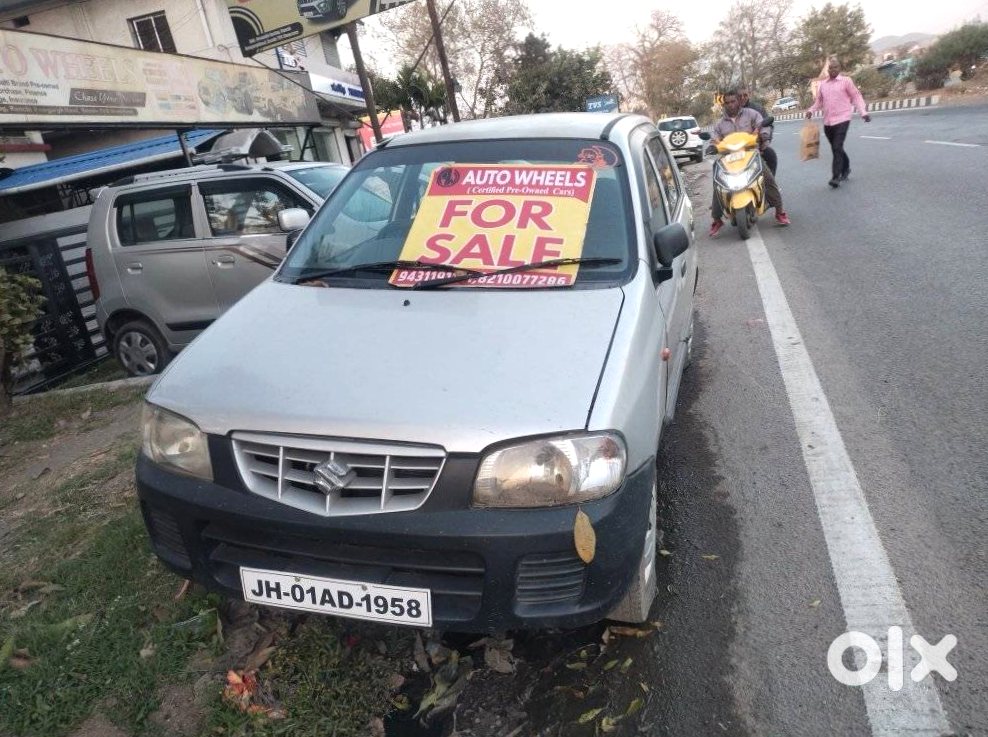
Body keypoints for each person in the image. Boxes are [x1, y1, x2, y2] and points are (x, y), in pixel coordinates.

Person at [708, 90, 790, 238]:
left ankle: (780, 211)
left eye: (733, 101)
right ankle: (716, 219)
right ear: (723, 104)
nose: (731, 105)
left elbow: (763, 125)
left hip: (751, 154)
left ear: (739, 101)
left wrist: (763, 134)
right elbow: (714, 138)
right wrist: (713, 145)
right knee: (718, 184)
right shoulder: (720, 124)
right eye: (727, 102)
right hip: (729, 159)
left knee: (768, 179)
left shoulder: (752, 114)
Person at [805, 56, 871, 188]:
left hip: (843, 119)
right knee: (837, 148)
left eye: (835, 67)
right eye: (830, 68)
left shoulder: (846, 81)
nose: (833, 70)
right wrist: (811, 110)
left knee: (836, 147)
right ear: (828, 70)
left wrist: (863, 112)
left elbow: (856, 96)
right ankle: (846, 168)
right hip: (828, 122)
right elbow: (819, 101)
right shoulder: (823, 84)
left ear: (839, 68)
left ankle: (836, 177)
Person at [740, 88, 778, 176]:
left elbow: (768, 125)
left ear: (749, 94)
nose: (742, 98)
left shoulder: (758, 108)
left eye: (745, 95)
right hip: (737, 151)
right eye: (740, 96)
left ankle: (772, 188)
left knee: (771, 156)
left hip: (757, 147)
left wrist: (765, 138)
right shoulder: (731, 111)